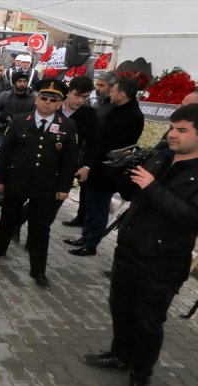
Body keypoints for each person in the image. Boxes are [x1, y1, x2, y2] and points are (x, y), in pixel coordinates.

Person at [83, 104, 198, 386]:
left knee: (148, 321)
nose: (172, 135)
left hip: (164, 261)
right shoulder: (161, 156)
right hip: (130, 250)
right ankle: (120, 356)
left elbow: (192, 216)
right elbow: (131, 194)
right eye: (171, 128)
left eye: (181, 130)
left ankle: (142, 373)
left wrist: (151, 187)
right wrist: (121, 173)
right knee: (121, 309)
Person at [0, 80, 78, 289]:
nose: (47, 103)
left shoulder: (68, 126)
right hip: (17, 180)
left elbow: (68, 161)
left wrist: (64, 188)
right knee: (8, 218)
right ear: (37, 99)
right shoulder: (20, 121)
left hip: (46, 186)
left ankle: (38, 270)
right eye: (44, 98)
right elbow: (6, 153)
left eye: (53, 100)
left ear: (59, 104)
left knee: (40, 229)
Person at [66, 78, 144, 257]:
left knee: (99, 207)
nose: (110, 94)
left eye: (113, 91)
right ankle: (85, 236)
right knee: (90, 204)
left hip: (108, 169)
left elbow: (112, 142)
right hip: (97, 164)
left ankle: (91, 243)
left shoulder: (131, 116)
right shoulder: (117, 109)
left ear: (122, 94)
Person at [57, 77, 100, 229]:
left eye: (85, 97)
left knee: (55, 203)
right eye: (77, 95)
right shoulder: (53, 105)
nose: (80, 100)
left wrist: (86, 166)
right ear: (68, 92)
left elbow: (93, 144)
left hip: (69, 165)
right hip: (44, 161)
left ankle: (33, 240)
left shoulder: (89, 114)